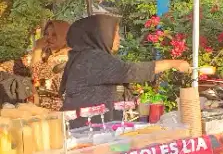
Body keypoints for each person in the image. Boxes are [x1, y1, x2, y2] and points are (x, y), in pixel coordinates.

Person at [60, 15, 192, 126]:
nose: (119, 38)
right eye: (115, 32)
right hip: (85, 130)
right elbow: (130, 71)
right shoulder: (92, 59)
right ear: (101, 34)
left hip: (88, 126)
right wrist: (173, 63)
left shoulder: (85, 56)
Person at [31, 20, 70, 108]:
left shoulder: (66, 57)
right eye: (46, 34)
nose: (48, 38)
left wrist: (37, 49)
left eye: (54, 35)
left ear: (65, 36)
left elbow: (37, 76)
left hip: (58, 110)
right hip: (42, 107)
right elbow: (22, 63)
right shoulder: (47, 54)